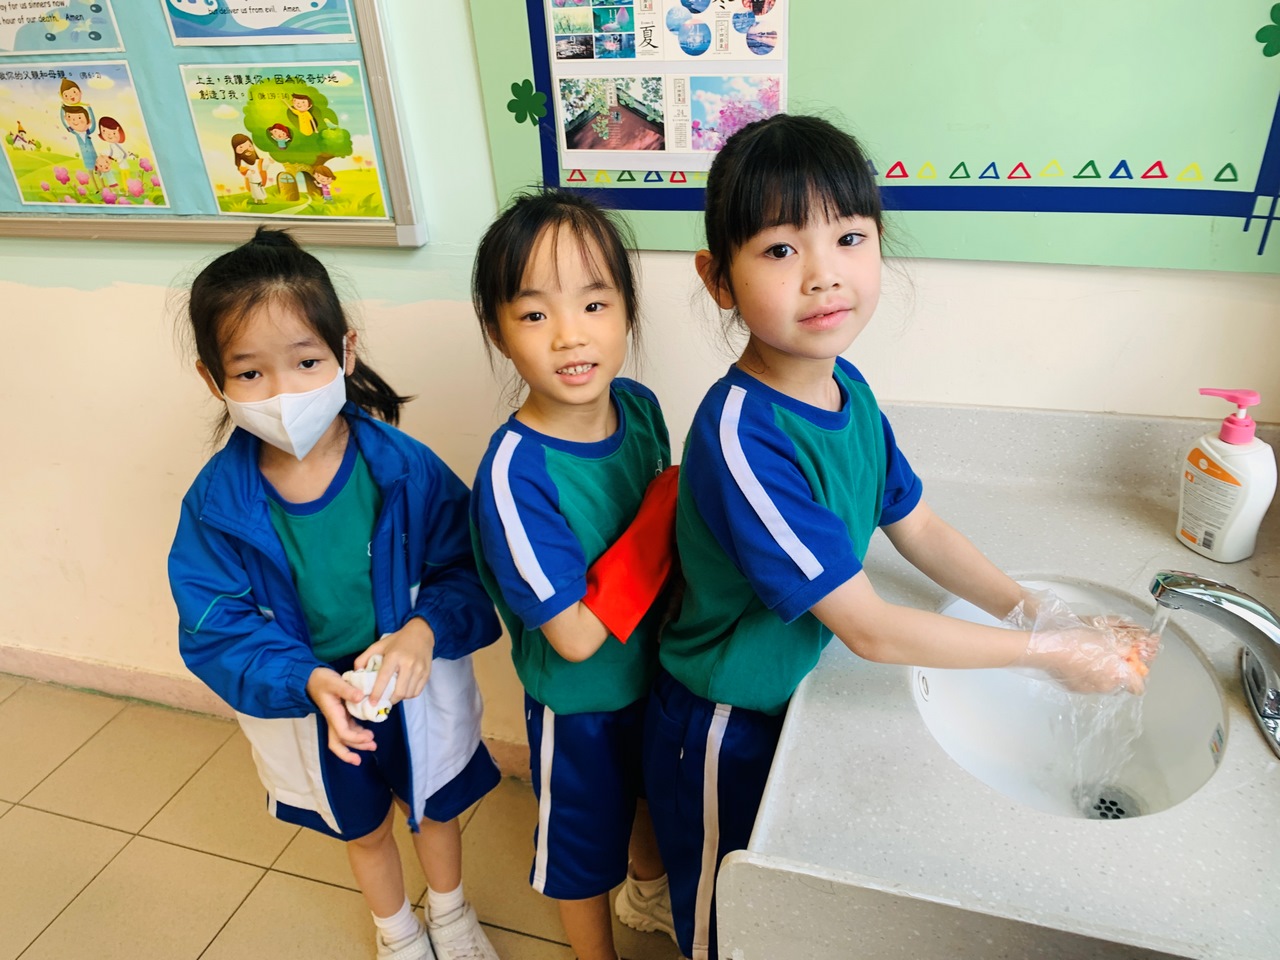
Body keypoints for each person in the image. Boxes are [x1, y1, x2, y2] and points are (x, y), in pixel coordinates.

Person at [643, 113, 1161, 960]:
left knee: (770, 901)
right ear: (719, 279)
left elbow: (917, 524)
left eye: (849, 238)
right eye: (781, 249)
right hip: (721, 719)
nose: (824, 275)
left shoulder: (845, 388)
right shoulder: (745, 436)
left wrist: (1036, 609)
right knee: (719, 912)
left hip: (794, 693)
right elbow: (872, 630)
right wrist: (1050, 654)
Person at [168, 227, 503, 960]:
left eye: (306, 362)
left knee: (434, 806)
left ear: (346, 351)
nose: (284, 393)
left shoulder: (404, 469)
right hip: (315, 698)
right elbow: (216, 625)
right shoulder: (217, 505)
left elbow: (468, 568)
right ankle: (398, 932)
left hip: (409, 682)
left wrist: (423, 631)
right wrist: (304, 679)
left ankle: (451, 913)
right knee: (364, 827)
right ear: (212, 378)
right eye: (250, 372)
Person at [469, 191, 679, 960]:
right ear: (498, 330)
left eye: (594, 303)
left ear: (627, 310)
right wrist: (666, 507)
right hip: (582, 704)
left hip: (656, 670)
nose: (570, 335)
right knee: (582, 849)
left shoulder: (640, 409)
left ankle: (648, 895)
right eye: (534, 314)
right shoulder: (514, 474)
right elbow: (576, 636)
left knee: (650, 799)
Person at [231, 133, 267, 204]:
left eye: (249, 146)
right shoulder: (243, 162)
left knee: (261, 191)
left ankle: (263, 201)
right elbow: (243, 170)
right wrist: (249, 172)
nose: (247, 149)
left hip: (259, 180)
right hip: (252, 181)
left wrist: (267, 163)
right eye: (241, 147)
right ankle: (256, 201)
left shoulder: (257, 161)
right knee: (255, 192)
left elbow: (263, 166)